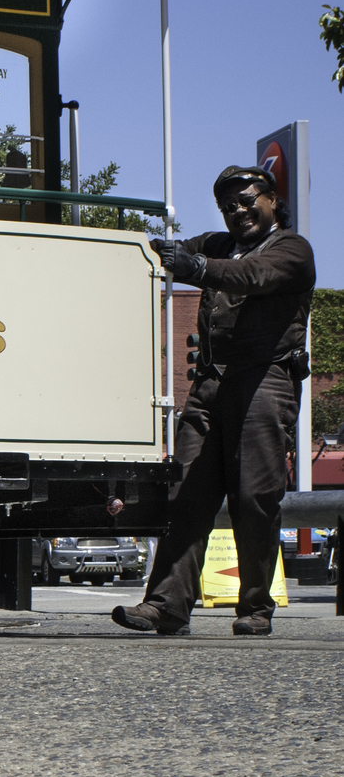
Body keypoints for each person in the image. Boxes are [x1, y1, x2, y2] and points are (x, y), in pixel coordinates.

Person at [113, 165, 314, 638]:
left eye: (247, 201)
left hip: (265, 380)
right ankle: (166, 605)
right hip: (211, 385)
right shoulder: (219, 243)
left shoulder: (292, 249)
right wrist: (143, 246)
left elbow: (249, 275)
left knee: (254, 499)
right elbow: (177, 251)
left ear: (270, 199)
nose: (238, 211)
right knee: (185, 494)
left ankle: (255, 607)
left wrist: (195, 268)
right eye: (228, 206)